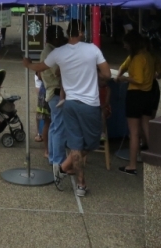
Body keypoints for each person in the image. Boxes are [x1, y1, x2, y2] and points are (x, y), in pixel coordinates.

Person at [23, 20, 111, 197]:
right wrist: (93, 71)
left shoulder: (59, 53)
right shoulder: (93, 49)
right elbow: (107, 74)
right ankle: (63, 167)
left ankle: (80, 184)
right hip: (89, 104)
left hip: (69, 103)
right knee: (93, 141)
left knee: (76, 145)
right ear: (80, 32)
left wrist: (27, 64)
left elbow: (40, 68)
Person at [114, 31, 161, 175]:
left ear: (132, 44)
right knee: (147, 127)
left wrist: (124, 79)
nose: (124, 46)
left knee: (134, 133)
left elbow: (138, 79)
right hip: (148, 95)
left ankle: (132, 165)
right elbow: (125, 66)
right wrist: (121, 74)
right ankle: (156, 159)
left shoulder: (137, 58)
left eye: (126, 43)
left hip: (135, 95)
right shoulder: (149, 56)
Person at [38, 24, 68, 181]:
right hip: (55, 92)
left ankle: (52, 156)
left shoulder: (51, 50)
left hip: (53, 93)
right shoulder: (49, 52)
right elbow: (58, 71)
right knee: (59, 128)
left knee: (55, 127)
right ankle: (59, 160)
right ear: (55, 37)